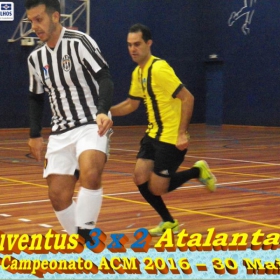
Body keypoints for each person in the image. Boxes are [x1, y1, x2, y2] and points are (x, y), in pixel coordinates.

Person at [110, 23, 217, 236]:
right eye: (129, 45)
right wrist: (105, 111)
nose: (133, 49)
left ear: (149, 43)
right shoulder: (137, 73)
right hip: (152, 135)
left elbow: (188, 98)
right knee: (140, 177)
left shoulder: (159, 68)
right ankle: (169, 222)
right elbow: (131, 104)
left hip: (170, 138)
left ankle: (198, 171)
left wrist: (181, 133)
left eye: (137, 44)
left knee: (158, 188)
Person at [25, 0, 114, 242]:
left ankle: (85, 238)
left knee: (90, 173)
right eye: (31, 20)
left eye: (39, 19)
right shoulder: (35, 59)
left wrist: (103, 110)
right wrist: (35, 134)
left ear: (55, 17)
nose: (34, 26)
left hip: (91, 122)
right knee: (58, 196)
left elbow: (105, 77)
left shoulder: (79, 42)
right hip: (60, 131)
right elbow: (36, 97)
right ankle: (84, 240)